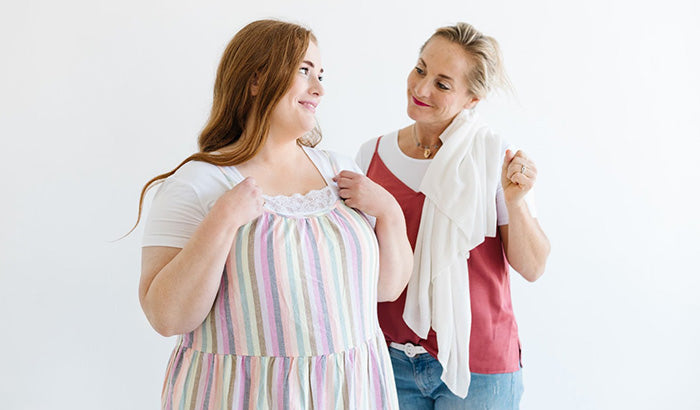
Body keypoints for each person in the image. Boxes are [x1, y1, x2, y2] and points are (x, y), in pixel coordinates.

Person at [134, 20, 412, 409]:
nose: (319, 88)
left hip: (350, 390)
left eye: (320, 74)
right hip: (245, 397)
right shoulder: (197, 184)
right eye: (303, 70)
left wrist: (390, 212)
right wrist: (223, 220)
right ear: (255, 80)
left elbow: (384, 289)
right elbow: (167, 317)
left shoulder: (339, 170)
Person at [355, 22, 551, 409]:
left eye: (443, 84)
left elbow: (533, 266)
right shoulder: (371, 155)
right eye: (420, 68)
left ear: (472, 99)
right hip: (389, 360)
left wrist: (515, 201)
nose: (421, 88)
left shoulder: (493, 156)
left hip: (480, 369)